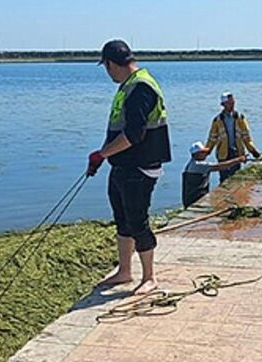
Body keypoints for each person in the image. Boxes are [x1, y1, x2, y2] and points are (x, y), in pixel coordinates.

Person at [87, 40, 171, 295]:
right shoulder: (127, 86)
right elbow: (117, 129)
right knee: (122, 219)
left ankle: (149, 277)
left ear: (111, 64)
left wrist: (101, 154)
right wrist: (102, 157)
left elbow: (134, 134)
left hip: (140, 166)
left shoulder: (141, 87)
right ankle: (124, 271)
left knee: (137, 221)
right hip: (122, 164)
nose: (108, 73)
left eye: (106, 67)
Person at [205, 92, 261, 183]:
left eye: (233, 103)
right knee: (224, 178)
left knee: (235, 177)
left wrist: (253, 151)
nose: (232, 105)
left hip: (236, 152)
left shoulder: (240, 118)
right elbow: (212, 139)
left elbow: (246, 137)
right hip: (223, 154)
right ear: (223, 104)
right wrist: (206, 152)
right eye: (229, 103)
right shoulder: (217, 120)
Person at [181, 142, 246, 208]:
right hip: (195, 199)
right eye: (203, 152)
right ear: (197, 154)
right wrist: (238, 160)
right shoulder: (197, 165)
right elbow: (220, 166)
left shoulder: (191, 163)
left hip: (189, 198)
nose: (206, 154)